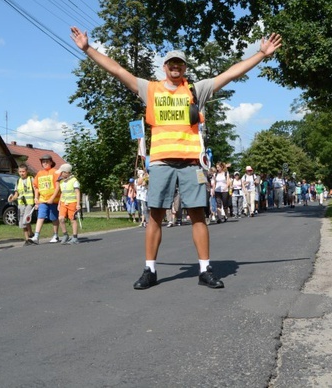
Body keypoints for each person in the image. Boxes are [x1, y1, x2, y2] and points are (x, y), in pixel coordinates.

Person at [71, 25, 282, 290]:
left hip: (192, 163)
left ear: (184, 68)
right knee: (155, 215)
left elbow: (230, 74)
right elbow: (117, 70)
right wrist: (88, 49)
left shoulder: (196, 90)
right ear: (164, 67)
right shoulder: (150, 89)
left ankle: (205, 270)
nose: (175, 67)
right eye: (171, 63)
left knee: (198, 216)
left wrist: (261, 55)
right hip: (160, 162)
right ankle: (150, 270)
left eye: (179, 64)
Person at [29, 155, 61, 244]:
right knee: (40, 216)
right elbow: (36, 187)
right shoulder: (39, 173)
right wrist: (36, 197)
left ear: (51, 162)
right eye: (43, 162)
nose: (45, 163)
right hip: (42, 200)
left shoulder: (55, 172)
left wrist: (52, 198)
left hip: (53, 200)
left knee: (54, 218)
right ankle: (36, 236)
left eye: (47, 161)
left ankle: (55, 235)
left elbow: (58, 187)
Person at [8, 164, 35, 246]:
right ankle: (27, 238)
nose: (21, 173)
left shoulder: (31, 179)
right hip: (21, 204)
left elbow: (36, 190)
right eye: (20, 172)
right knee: (22, 222)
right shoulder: (18, 181)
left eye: (23, 171)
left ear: (27, 172)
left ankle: (30, 233)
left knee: (26, 219)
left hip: (29, 202)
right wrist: (12, 198)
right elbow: (16, 194)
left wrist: (37, 199)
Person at [57, 164, 81, 245]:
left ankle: (75, 237)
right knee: (61, 218)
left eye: (62, 172)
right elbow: (62, 193)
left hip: (72, 202)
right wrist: (59, 203)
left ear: (66, 172)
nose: (60, 174)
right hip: (63, 202)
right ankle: (65, 235)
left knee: (72, 219)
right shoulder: (61, 181)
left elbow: (77, 193)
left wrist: (78, 204)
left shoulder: (74, 181)